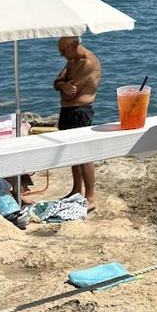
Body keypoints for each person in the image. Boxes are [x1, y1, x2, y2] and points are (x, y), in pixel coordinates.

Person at [53, 37, 100, 212]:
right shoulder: (72, 61)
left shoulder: (88, 63)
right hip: (68, 111)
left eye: (63, 52)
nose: (62, 56)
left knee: (84, 153)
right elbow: (57, 83)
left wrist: (63, 86)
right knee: (73, 152)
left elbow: (70, 94)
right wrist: (63, 85)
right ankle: (76, 189)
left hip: (80, 110)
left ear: (73, 45)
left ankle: (90, 197)